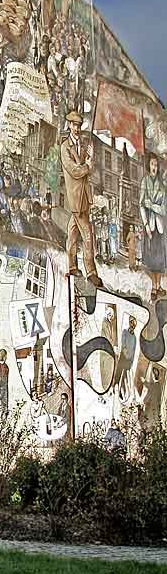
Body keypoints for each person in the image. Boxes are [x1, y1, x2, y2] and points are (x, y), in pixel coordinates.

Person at [60, 110, 102, 287]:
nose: (76, 128)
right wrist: (88, 164)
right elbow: (75, 171)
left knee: (72, 233)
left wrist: (90, 157)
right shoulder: (64, 147)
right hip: (75, 197)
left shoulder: (83, 146)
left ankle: (71, 266)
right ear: (69, 125)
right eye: (73, 125)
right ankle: (91, 272)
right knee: (88, 235)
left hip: (84, 196)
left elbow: (89, 170)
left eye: (78, 125)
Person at [139, 153, 166, 301]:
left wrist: (154, 206)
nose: (154, 167)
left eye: (156, 165)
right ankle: (154, 287)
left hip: (160, 226)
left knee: (160, 257)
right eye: (152, 164)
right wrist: (146, 225)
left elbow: (164, 209)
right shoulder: (144, 182)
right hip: (150, 225)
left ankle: (158, 285)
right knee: (152, 257)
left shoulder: (162, 186)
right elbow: (141, 205)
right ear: (148, 165)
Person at [114, 314, 137, 398]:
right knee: (119, 373)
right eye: (131, 323)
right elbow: (123, 344)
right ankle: (114, 388)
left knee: (124, 377)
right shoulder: (125, 332)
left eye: (134, 324)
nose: (132, 325)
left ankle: (120, 392)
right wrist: (126, 354)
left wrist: (131, 361)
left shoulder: (134, 337)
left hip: (129, 360)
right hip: (123, 357)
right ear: (129, 323)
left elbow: (134, 351)